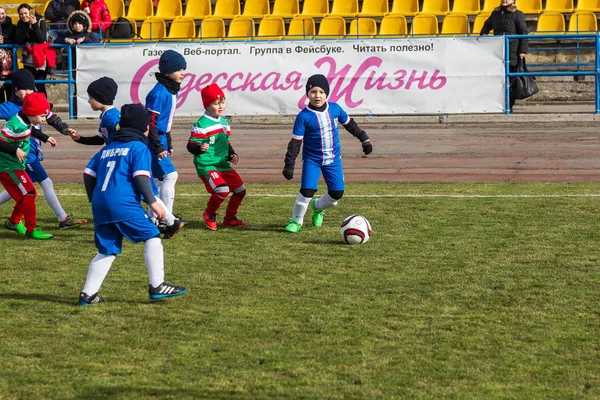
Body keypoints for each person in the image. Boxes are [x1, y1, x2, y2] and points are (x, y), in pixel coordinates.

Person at [78, 103, 187, 306]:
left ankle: (88, 295)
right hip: (123, 203)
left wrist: (94, 198)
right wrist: (153, 202)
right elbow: (141, 178)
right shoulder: (139, 147)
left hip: (100, 204)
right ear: (144, 127)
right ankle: (157, 285)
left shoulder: (108, 148)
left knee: (107, 250)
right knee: (152, 236)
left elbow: (88, 173)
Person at [69, 76, 185, 239]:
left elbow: (130, 135)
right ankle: (167, 221)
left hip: (128, 160)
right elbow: (101, 139)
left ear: (100, 99)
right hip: (125, 158)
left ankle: (169, 221)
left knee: (145, 192)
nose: (88, 101)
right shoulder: (106, 116)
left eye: (91, 97)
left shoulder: (113, 118)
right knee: (144, 192)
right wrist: (79, 138)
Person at [282, 74, 373, 233]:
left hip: (333, 160)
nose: (317, 95)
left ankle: (317, 207)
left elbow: (350, 125)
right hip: (312, 160)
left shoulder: (335, 108)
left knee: (337, 193)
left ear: (327, 93)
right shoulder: (303, 116)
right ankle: (296, 221)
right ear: (307, 94)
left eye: (321, 92)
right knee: (307, 190)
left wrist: (364, 138)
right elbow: (296, 143)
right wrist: (289, 164)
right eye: (313, 92)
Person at [0, 69, 87, 229]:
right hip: (26, 156)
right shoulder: (8, 107)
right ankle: (63, 219)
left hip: (29, 154)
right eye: (24, 89)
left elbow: (52, 117)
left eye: (31, 89)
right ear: (15, 89)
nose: (28, 93)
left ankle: (16, 221)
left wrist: (65, 129)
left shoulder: (36, 102)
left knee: (21, 189)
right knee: (45, 182)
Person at [187, 83, 247, 231]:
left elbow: (226, 143)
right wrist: (199, 148)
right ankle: (209, 214)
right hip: (207, 164)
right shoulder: (201, 124)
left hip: (222, 164)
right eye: (216, 103)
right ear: (207, 105)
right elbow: (191, 145)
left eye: (222, 102)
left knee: (241, 190)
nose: (220, 106)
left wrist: (231, 154)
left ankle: (229, 218)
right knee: (222, 190)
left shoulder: (224, 123)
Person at [0, 92, 57, 239]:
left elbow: (30, 130)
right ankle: (31, 229)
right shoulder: (14, 124)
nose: (44, 120)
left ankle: (13, 222)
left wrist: (45, 137)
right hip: (7, 166)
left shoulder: (26, 120)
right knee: (29, 193)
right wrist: (15, 150)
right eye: (42, 116)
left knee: (29, 194)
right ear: (31, 113)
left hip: (16, 165)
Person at [145, 50, 186, 222]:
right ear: (167, 72)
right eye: (178, 70)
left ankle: (153, 217)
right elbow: (151, 122)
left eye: (183, 69)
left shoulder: (171, 90)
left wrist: (168, 143)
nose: (182, 73)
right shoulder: (159, 92)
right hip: (153, 139)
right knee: (171, 175)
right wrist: (157, 145)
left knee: (162, 178)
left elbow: (165, 121)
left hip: (160, 138)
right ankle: (167, 219)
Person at [480, 0, 528, 112]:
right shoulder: (495, 13)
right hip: (497, 51)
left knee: (511, 79)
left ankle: (509, 105)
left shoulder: (517, 14)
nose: (505, 0)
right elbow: (487, 25)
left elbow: (523, 32)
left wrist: (523, 51)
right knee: (499, 79)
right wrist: (483, 37)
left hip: (513, 51)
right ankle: (500, 104)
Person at [15, 3, 50, 97]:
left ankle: (43, 107)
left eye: (25, 13)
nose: (23, 16)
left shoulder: (40, 21)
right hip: (27, 59)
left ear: (30, 12)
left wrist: (34, 26)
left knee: (40, 85)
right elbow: (18, 40)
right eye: (21, 14)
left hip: (40, 59)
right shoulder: (20, 24)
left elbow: (42, 39)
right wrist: (28, 31)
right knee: (29, 86)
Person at [0, 7, 17, 103]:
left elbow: (17, 41)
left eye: (2, 13)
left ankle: (11, 115)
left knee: (10, 89)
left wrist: (4, 42)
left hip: (9, 64)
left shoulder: (12, 27)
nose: (0, 16)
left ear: (6, 13)